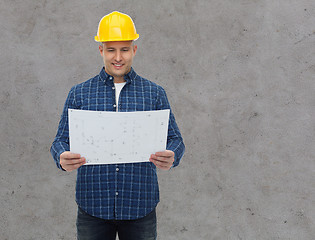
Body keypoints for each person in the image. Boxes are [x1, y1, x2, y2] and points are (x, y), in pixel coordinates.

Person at [50, 11, 185, 240]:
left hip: (139, 206)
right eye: (111, 49)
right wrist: (61, 157)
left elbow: (176, 140)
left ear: (134, 49)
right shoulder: (80, 93)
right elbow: (60, 141)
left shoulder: (153, 93)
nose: (118, 57)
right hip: (93, 206)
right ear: (101, 50)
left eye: (124, 49)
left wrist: (173, 155)